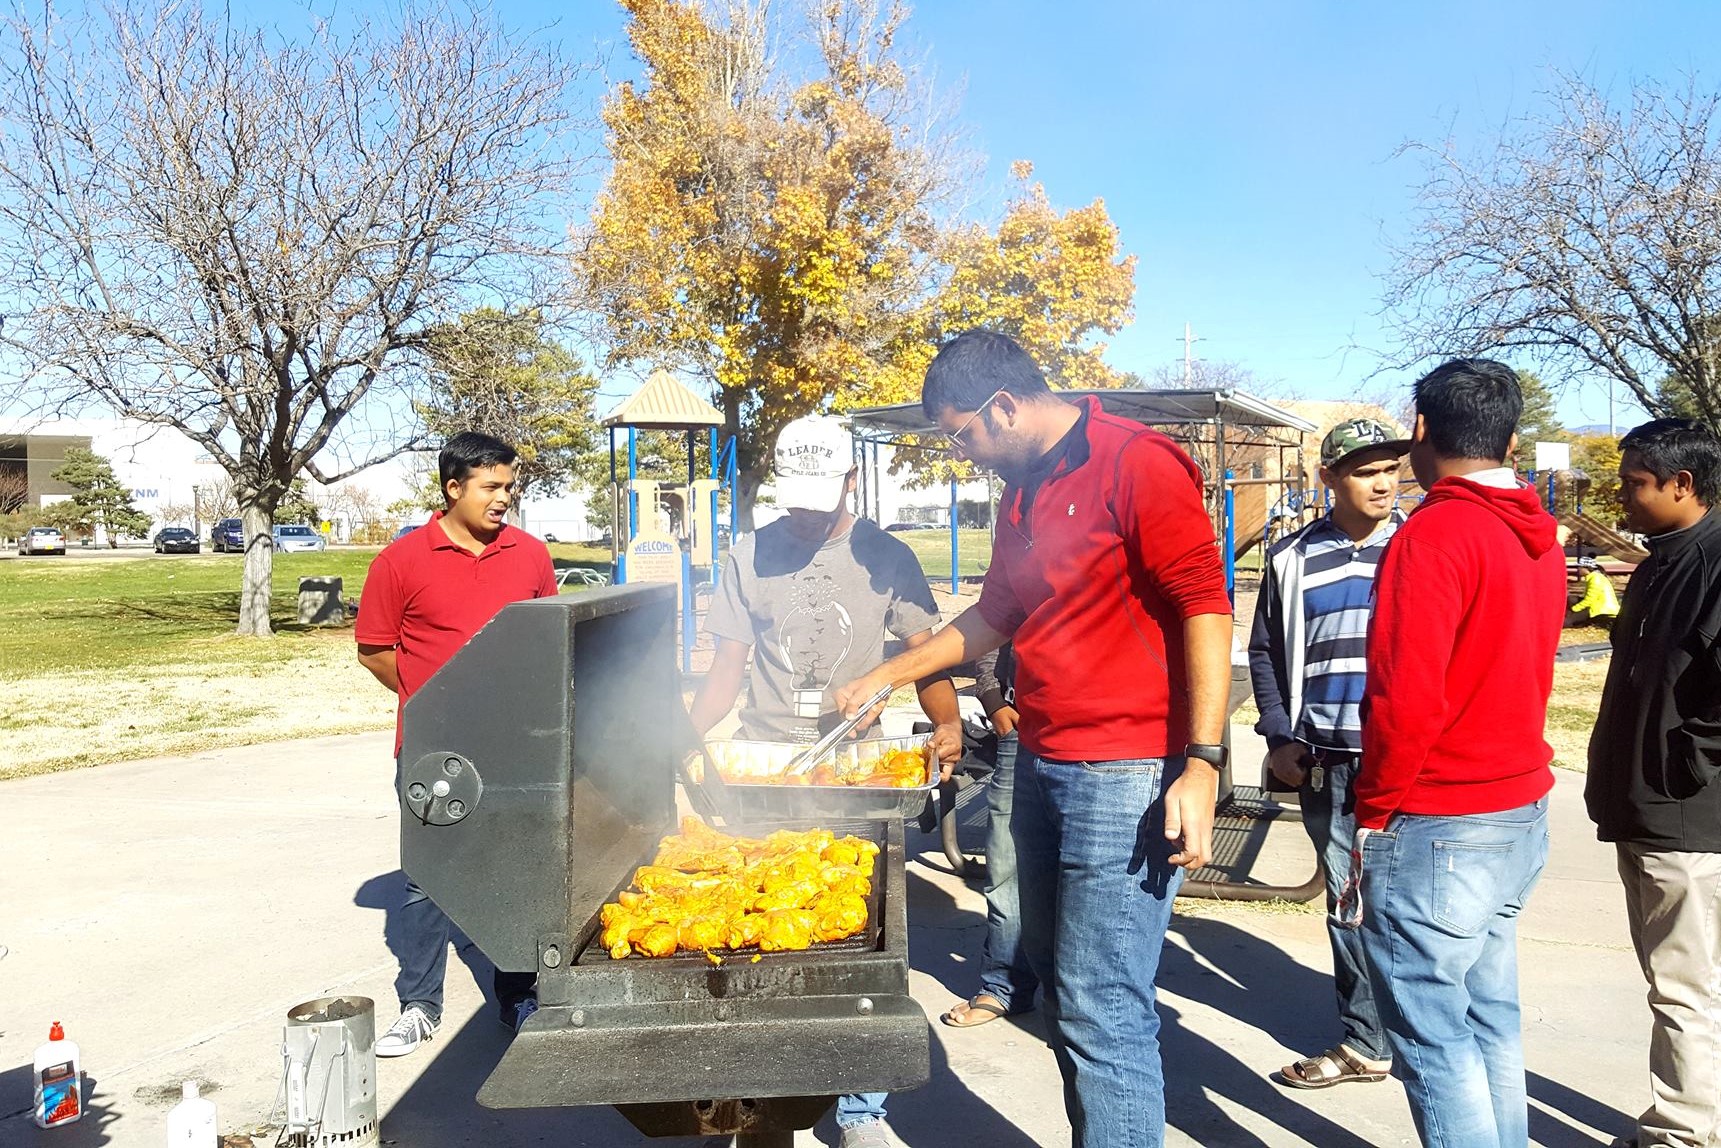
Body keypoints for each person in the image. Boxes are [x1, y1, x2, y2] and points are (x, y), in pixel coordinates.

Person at [835, 329, 1233, 1148]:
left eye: (960, 434)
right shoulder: (1020, 490)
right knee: (1063, 993)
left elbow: (1205, 605)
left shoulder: (1136, 461)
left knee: (1103, 1008)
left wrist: (1202, 760)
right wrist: (888, 672)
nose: (962, 453)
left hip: (1124, 771)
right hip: (1043, 758)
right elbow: (994, 617)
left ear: (1004, 405)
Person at [688, 413, 963, 1148]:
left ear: (851, 479)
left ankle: (861, 1109)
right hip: (763, 764)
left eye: (821, 492)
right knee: (765, 942)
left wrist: (948, 723)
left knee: (866, 949)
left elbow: (923, 653)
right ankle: (766, 1106)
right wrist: (677, 740)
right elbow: (725, 669)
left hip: (857, 767)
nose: (805, 510)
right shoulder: (748, 553)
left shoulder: (887, 557)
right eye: (795, 495)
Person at [1348, 358, 1566, 1148]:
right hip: (1517, 809)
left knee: (1436, 1045)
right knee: (1489, 1024)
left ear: (1417, 430)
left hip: (1439, 816)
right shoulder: (1537, 538)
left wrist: (1371, 813)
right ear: (1509, 438)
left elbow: (1405, 697)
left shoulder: (1433, 535)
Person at [355, 431, 559, 1058]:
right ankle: (420, 1006)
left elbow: (546, 638)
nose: (505, 498)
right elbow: (375, 650)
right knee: (428, 880)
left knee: (516, 872)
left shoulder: (530, 554)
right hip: (432, 750)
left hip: (515, 745)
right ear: (453, 488)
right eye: (492, 487)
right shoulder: (401, 560)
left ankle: (519, 997)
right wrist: (432, 702)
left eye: (510, 486)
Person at [1249, 417, 1407, 1089]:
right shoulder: (1290, 558)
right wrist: (1280, 735)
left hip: (1406, 761)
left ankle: (1415, 1030)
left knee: (1409, 904)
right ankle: (1367, 1039)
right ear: (1327, 480)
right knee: (1348, 904)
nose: (1381, 482)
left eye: (1388, 469)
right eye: (1363, 471)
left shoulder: (1418, 546)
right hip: (1327, 764)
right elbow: (1263, 652)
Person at [1584, 418, 1721, 1148]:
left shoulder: (1714, 561)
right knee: (1675, 981)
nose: (1623, 496)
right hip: (1640, 807)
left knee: (1681, 985)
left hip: (1683, 819)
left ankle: (1683, 1132)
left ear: (1682, 485)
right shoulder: (1661, 561)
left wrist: (1680, 767)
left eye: (1635, 482)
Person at [941, 641, 1041, 1028]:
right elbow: (994, 631)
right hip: (1020, 728)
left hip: (1104, 737)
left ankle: (1085, 999)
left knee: (1085, 876)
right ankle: (1005, 984)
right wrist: (993, 699)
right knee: (1006, 865)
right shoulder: (1020, 577)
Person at [1565, 559, 1621, 629]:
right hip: (1595, 605)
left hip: (1601, 610)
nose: (1578, 569)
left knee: (1566, 622)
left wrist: (1574, 609)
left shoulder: (1595, 579)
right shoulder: (1593, 577)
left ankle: (1573, 619)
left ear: (1586, 568)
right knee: (1571, 599)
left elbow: (1589, 600)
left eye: (1580, 567)